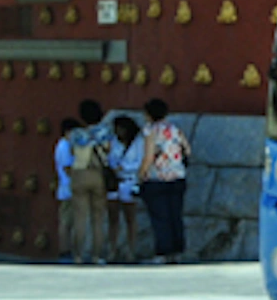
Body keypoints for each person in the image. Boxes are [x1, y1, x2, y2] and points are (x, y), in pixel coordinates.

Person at [139, 99, 191, 265]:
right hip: (177, 176)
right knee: (175, 215)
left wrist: (141, 174)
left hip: (157, 178)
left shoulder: (150, 131)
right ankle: (178, 251)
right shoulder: (175, 129)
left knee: (160, 217)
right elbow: (187, 150)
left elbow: (149, 156)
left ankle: (163, 251)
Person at [65, 101, 111, 265]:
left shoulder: (76, 134)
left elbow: (72, 151)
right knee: (98, 218)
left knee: (80, 217)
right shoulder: (104, 131)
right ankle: (96, 255)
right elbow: (108, 149)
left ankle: (78, 255)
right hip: (98, 174)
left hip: (80, 173)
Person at [107, 117, 144, 264]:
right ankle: (112, 249)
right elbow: (109, 158)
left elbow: (140, 161)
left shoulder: (139, 143)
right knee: (113, 218)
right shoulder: (113, 142)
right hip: (114, 181)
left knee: (130, 218)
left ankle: (131, 250)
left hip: (130, 180)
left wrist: (124, 167)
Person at [53, 118, 77, 263]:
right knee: (66, 222)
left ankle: (67, 249)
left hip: (68, 188)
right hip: (68, 188)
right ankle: (65, 250)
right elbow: (67, 167)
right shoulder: (63, 146)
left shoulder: (66, 145)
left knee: (68, 222)